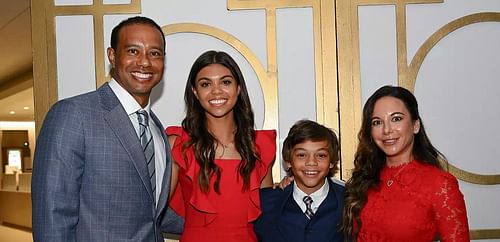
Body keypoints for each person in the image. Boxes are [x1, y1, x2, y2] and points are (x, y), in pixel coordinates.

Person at [32, 16, 183, 242]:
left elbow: (149, 214)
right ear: (112, 55)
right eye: (133, 51)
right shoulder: (73, 114)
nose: (144, 62)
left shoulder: (156, 128)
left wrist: (228, 223)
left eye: (155, 53)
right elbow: (52, 216)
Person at [165, 50, 276, 242]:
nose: (216, 91)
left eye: (225, 82)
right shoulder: (179, 143)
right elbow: (153, 211)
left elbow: (267, 214)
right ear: (195, 92)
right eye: (206, 84)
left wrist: (289, 190)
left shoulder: (260, 146)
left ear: (238, 88)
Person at [341, 85, 469, 241]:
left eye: (396, 119)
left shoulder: (440, 184)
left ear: (415, 125)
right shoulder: (365, 178)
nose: (387, 130)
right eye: (377, 122)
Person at [254, 119, 345, 242]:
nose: (311, 162)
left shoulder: (350, 201)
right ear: (288, 161)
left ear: (332, 161)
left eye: (321, 155)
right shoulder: (264, 202)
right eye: (301, 155)